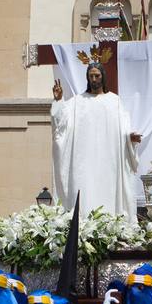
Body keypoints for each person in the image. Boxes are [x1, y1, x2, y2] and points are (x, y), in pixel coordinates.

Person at [50, 66, 142, 221]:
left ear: (103, 77)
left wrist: (129, 138)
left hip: (109, 163)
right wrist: (59, 101)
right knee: (83, 193)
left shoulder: (114, 101)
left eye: (97, 76)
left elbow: (124, 128)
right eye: (91, 76)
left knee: (108, 194)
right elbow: (60, 126)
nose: (94, 79)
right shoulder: (77, 102)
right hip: (83, 164)